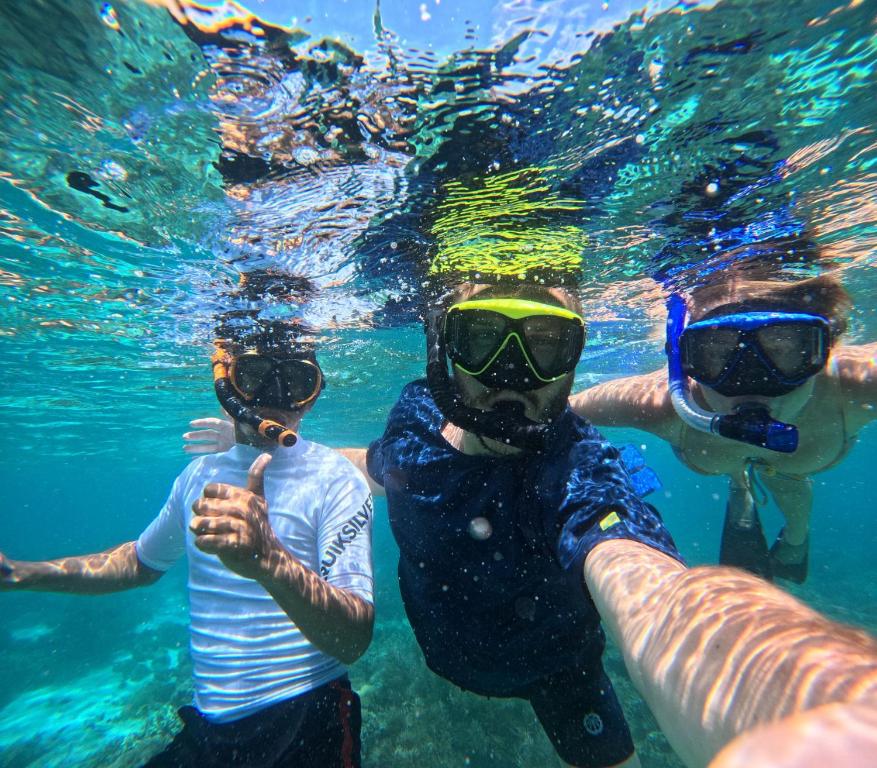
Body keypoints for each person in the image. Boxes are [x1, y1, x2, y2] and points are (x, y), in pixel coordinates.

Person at [0, 321, 375, 768]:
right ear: (227, 382)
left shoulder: (337, 480)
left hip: (306, 715)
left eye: (295, 381)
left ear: (314, 393)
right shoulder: (197, 476)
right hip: (208, 725)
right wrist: (21, 573)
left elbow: (353, 639)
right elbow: (138, 563)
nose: (275, 397)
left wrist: (271, 562)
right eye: (254, 376)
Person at [570, 266, 877, 583]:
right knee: (791, 468)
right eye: (717, 353)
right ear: (684, 361)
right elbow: (561, 409)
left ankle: (795, 534)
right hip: (765, 448)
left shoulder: (856, 383)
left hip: (723, 451)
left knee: (791, 471)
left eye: (784, 350)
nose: (751, 382)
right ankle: (739, 483)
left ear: (824, 349)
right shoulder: (665, 405)